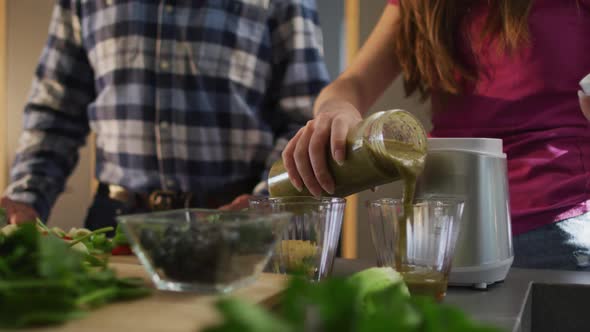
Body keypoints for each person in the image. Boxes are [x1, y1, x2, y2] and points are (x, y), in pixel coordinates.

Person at [281, 0, 590, 270]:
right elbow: (351, 86)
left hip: (557, 225)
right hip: (437, 230)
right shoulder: (419, 4)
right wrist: (337, 110)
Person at [0, 0, 329, 229]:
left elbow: (304, 119)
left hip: (234, 224)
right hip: (115, 225)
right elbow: (55, 111)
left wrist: (264, 203)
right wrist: (26, 199)